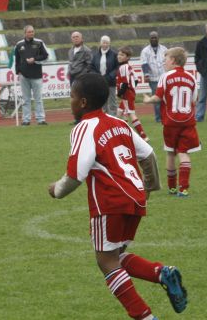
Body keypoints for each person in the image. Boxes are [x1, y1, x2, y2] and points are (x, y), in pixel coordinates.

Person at [48, 73, 185, 320]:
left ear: (83, 102)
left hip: (109, 202)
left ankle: (145, 316)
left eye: (72, 96)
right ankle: (161, 273)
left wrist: (56, 190)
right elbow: (149, 154)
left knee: (106, 262)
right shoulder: (119, 123)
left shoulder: (84, 127)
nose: (70, 101)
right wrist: (149, 188)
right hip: (135, 197)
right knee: (117, 255)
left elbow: (76, 174)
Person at [144, 47, 201, 198]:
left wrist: (148, 100)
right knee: (184, 153)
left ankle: (172, 188)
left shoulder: (166, 77)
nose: (164, 63)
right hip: (187, 122)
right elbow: (194, 100)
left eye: (166, 60)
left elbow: (158, 97)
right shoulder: (191, 77)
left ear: (173, 60)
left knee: (170, 153)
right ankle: (184, 189)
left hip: (170, 123)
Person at [14, 25, 49, 125]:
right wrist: (18, 71)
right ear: (25, 33)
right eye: (29, 32)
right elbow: (16, 59)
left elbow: (46, 56)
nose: (31, 33)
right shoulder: (19, 44)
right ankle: (26, 120)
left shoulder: (39, 43)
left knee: (38, 99)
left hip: (36, 75)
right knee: (26, 99)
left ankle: (40, 119)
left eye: (32, 31)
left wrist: (35, 59)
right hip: (24, 76)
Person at [116, 46, 148, 141]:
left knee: (131, 114)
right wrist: (131, 90)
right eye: (119, 54)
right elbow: (136, 80)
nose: (119, 56)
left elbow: (125, 82)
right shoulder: (128, 67)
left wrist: (120, 93)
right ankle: (123, 135)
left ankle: (143, 136)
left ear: (127, 57)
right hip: (128, 94)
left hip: (126, 94)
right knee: (119, 113)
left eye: (122, 55)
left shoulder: (124, 67)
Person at [140, 31, 167, 123]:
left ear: (158, 38)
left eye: (155, 37)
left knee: (165, 98)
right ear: (149, 39)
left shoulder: (164, 49)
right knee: (157, 98)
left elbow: (168, 61)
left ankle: (165, 116)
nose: (154, 39)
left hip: (164, 77)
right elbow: (144, 63)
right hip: (153, 78)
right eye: (152, 38)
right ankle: (158, 118)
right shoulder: (145, 51)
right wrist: (146, 75)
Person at [90, 35, 119, 115]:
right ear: (100, 43)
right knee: (102, 102)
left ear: (109, 44)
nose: (105, 44)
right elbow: (91, 67)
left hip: (111, 82)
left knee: (112, 102)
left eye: (107, 43)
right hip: (100, 83)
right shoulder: (95, 55)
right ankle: (104, 117)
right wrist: (98, 76)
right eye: (103, 43)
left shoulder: (114, 55)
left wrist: (110, 76)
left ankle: (113, 117)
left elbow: (117, 67)